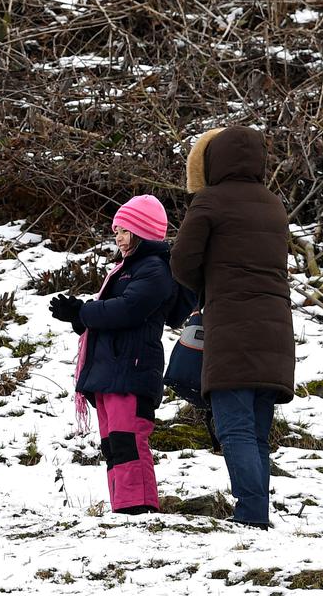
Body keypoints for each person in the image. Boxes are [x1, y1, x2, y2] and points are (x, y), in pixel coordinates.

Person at [169, 126, 294, 530]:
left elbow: (182, 261)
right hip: (275, 330)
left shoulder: (209, 201)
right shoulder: (274, 204)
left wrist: (208, 285)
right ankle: (258, 512)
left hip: (231, 328)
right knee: (256, 430)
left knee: (233, 427)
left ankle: (251, 516)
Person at [49, 194, 177, 515]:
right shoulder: (124, 271)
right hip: (112, 372)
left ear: (142, 231)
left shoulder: (155, 269)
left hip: (131, 372)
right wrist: (78, 318)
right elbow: (111, 319)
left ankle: (140, 508)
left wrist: (85, 311)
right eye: (116, 230)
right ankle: (123, 506)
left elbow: (129, 310)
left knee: (129, 440)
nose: (117, 237)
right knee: (113, 445)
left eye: (123, 230)